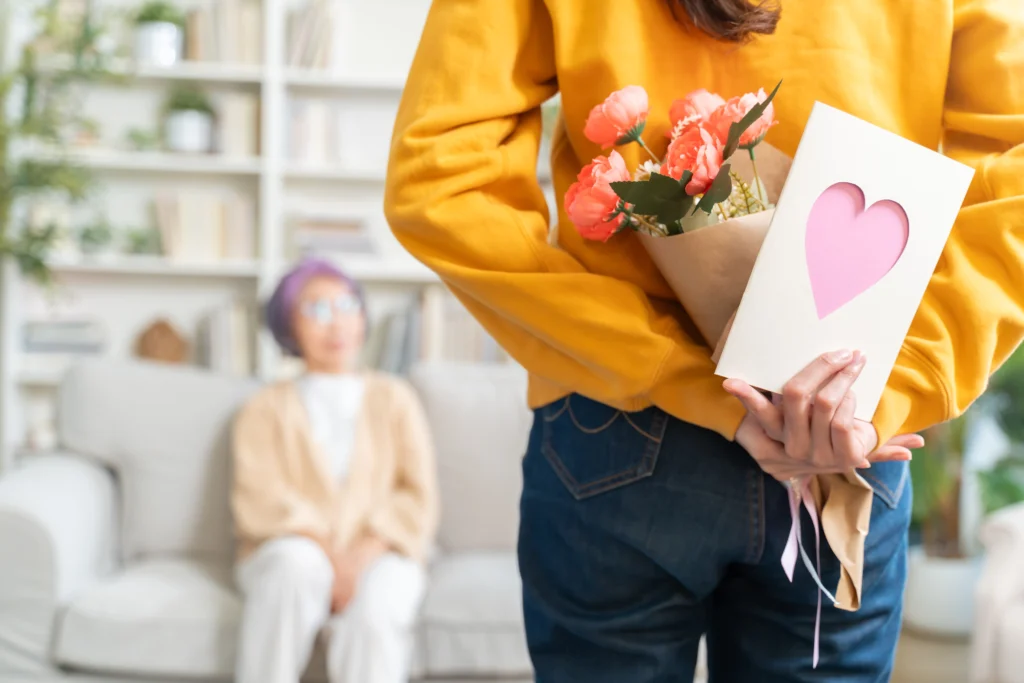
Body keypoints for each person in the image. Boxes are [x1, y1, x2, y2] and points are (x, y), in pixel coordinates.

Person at [384, 1, 1024, 681]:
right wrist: (890, 385)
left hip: (620, 419)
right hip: (843, 440)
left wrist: (674, 370)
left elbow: (441, 182)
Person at [231, 259, 439, 683]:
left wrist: (361, 556)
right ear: (289, 327)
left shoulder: (396, 398)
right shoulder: (263, 407)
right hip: (289, 550)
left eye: (346, 306)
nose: (337, 323)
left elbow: (417, 495)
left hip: (383, 550)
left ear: (363, 315)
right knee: (297, 564)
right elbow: (259, 496)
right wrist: (329, 556)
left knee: (377, 610)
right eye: (317, 311)